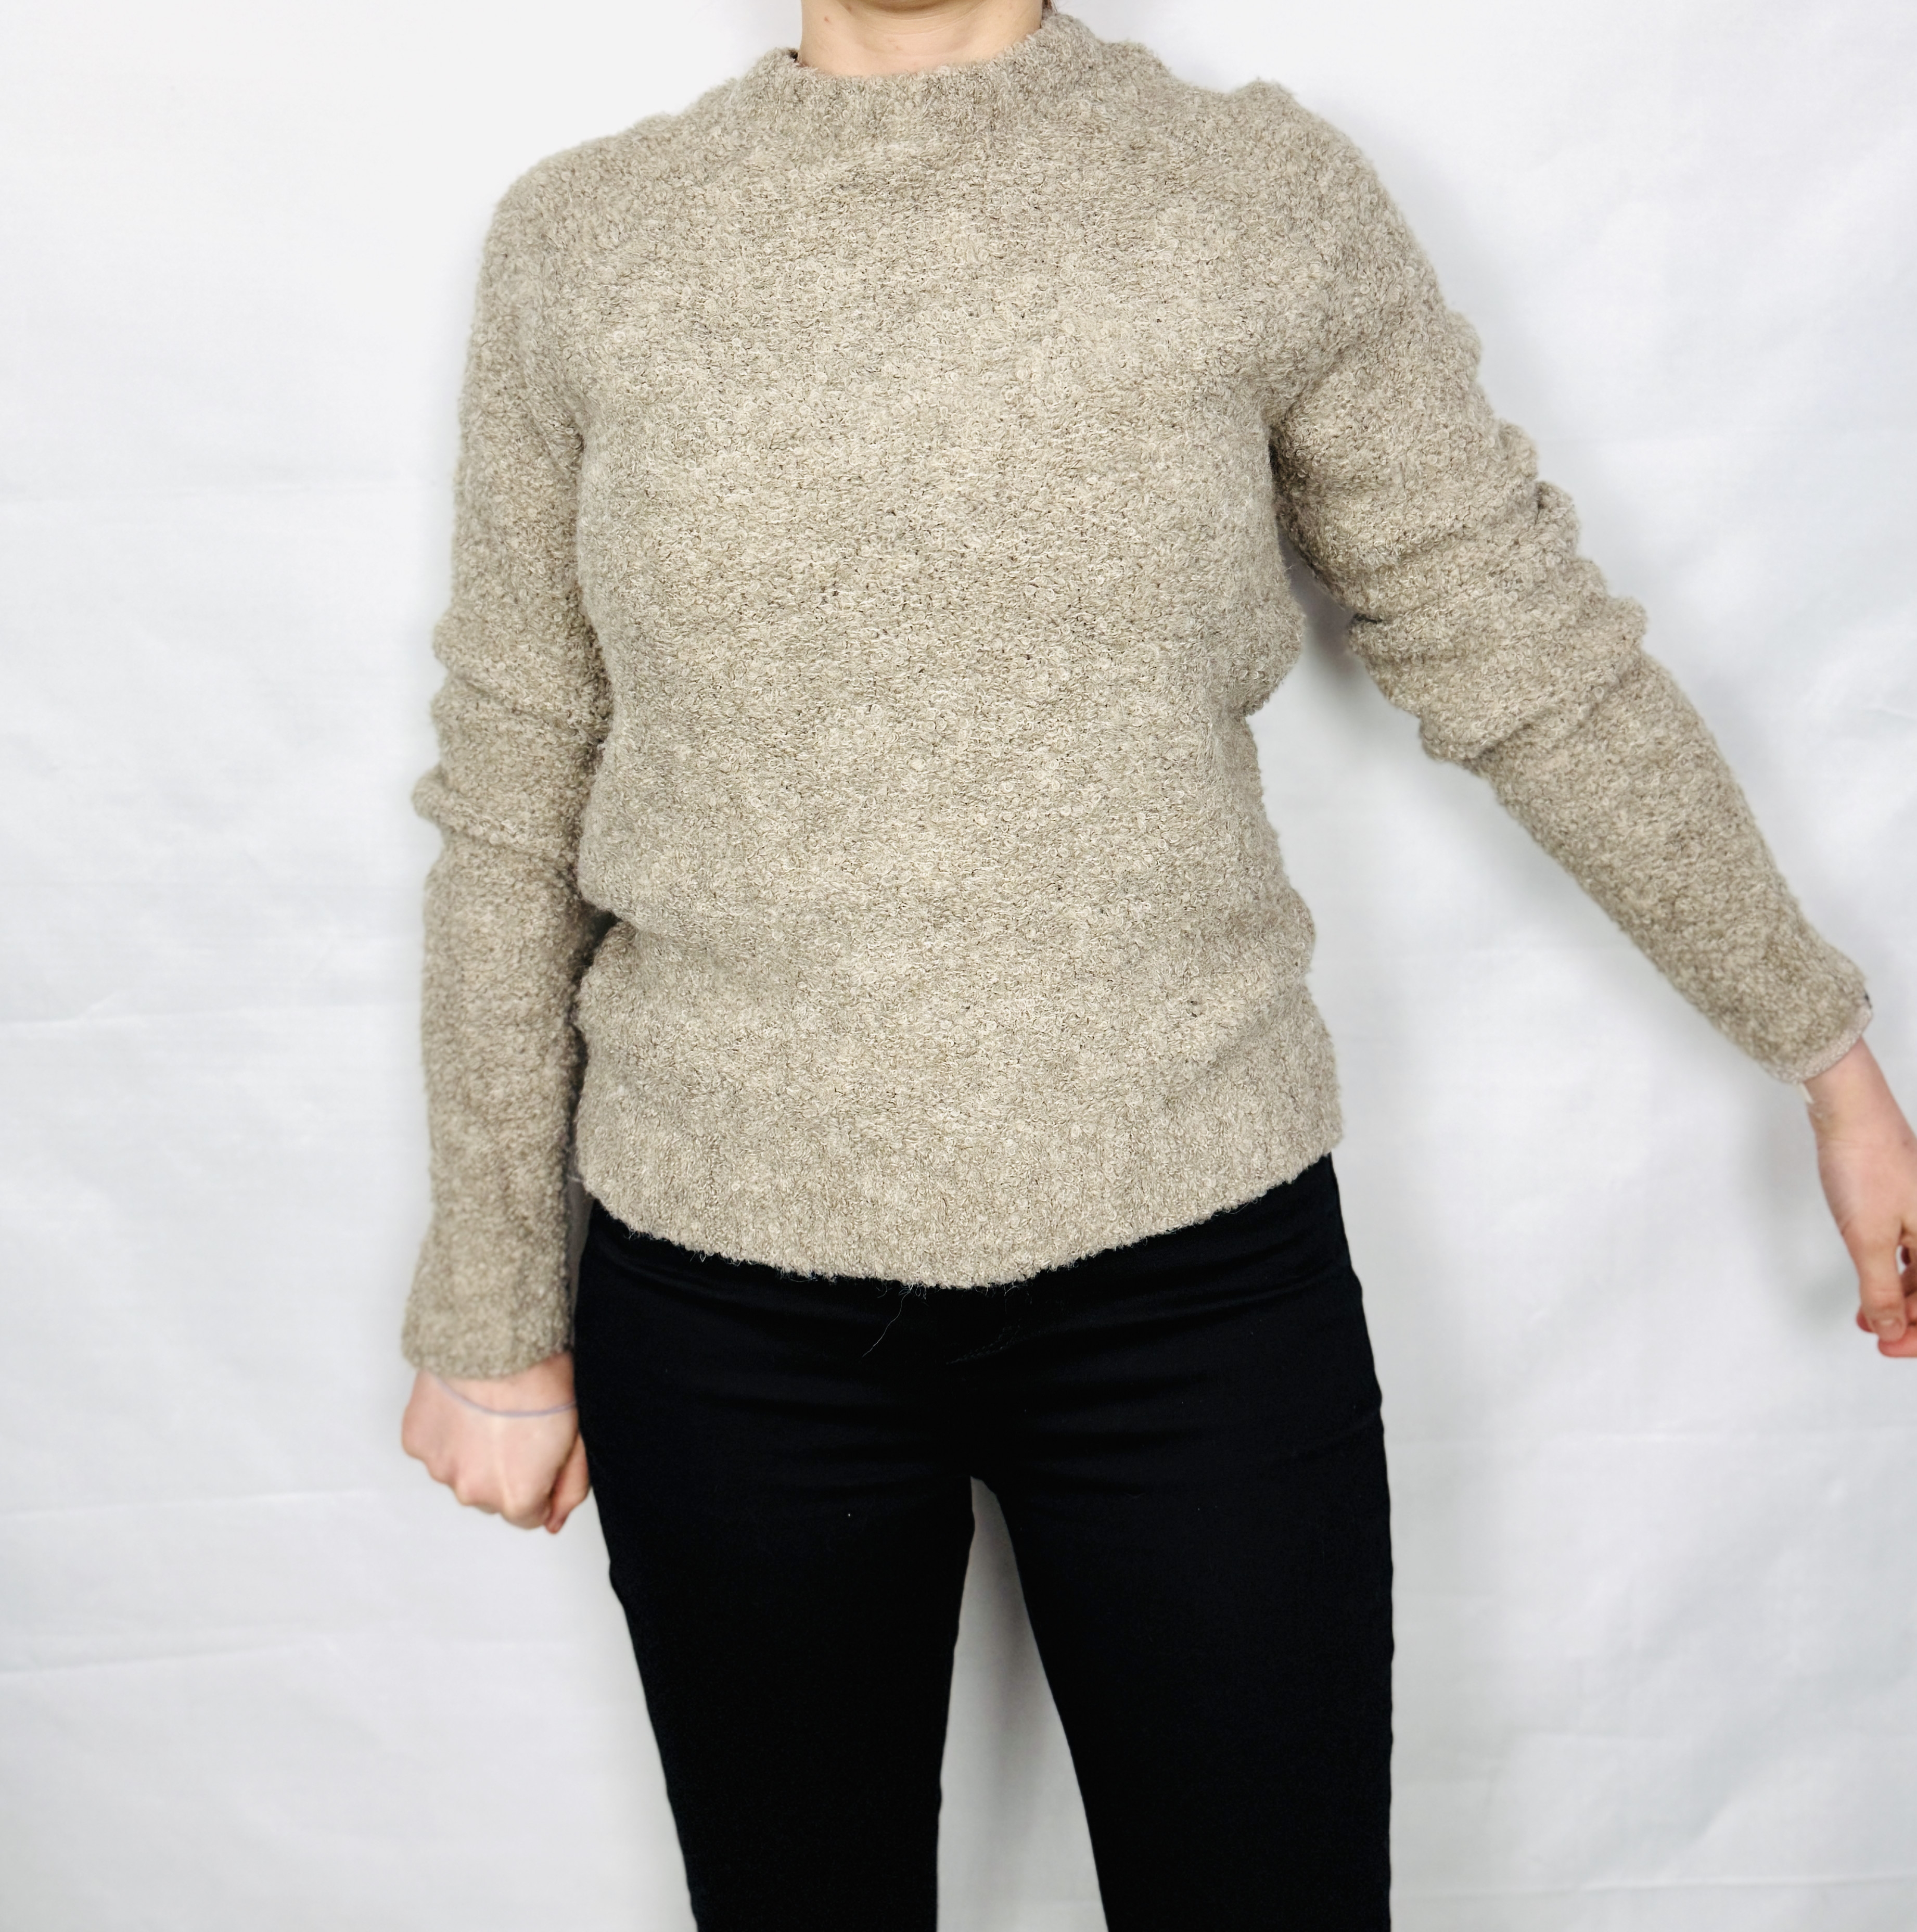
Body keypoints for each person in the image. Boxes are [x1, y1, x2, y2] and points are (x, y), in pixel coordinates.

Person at [398, 3, 1917, 1925]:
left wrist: (1823, 1052)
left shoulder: (1247, 191)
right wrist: (492, 1304)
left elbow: (1517, 643)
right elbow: (518, 787)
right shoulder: (588, 240)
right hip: (723, 1300)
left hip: (1188, 1278)